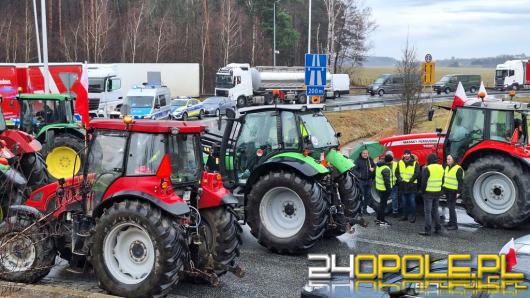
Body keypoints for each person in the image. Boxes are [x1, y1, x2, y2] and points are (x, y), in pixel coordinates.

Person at [419, 153, 444, 236]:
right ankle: (438, 227)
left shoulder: (427, 169)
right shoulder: (441, 168)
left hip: (428, 193)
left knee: (427, 212)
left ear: (428, 160)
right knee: (435, 210)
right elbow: (443, 180)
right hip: (437, 192)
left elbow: (424, 182)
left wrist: (422, 192)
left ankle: (427, 230)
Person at [396, 149, 420, 223]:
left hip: (411, 185)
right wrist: (399, 179)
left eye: (408, 154)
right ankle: (405, 216)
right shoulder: (400, 162)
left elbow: (417, 173)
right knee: (404, 202)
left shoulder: (415, 163)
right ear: (403, 155)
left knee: (412, 201)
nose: (406, 155)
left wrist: (410, 181)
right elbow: (396, 172)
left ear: (410, 155)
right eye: (405, 154)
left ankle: (413, 216)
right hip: (403, 185)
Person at [442, 154, 464, 230]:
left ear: (453, 160)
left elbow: (460, 182)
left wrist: (459, 192)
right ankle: (450, 222)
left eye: (449, 159)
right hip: (447, 190)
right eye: (447, 159)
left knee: (451, 208)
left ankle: (454, 225)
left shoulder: (458, 169)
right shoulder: (447, 167)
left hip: (453, 191)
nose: (447, 161)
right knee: (449, 207)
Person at [354, 148, 376, 215]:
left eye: (366, 153)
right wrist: (359, 175)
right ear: (361, 154)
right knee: (361, 196)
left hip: (369, 180)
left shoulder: (370, 159)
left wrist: (373, 169)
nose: (365, 154)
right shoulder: (358, 160)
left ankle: (365, 210)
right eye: (364, 153)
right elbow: (353, 170)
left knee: (367, 196)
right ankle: (359, 210)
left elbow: (374, 166)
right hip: (361, 181)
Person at [375, 154, 394, 226]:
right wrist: (389, 190)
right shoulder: (386, 169)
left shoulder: (379, 165)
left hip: (379, 188)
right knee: (383, 205)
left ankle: (378, 219)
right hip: (384, 190)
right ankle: (382, 220)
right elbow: (387, 181)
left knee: (381, 204)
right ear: (389, 161)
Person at [384, 150, 400, 217]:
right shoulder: (384, 164)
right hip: (387, 184)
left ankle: (394, 211)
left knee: (394, 198)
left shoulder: (396, 164)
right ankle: (386, 210)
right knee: (386, 198)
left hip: (394, 183)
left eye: (391, 155)